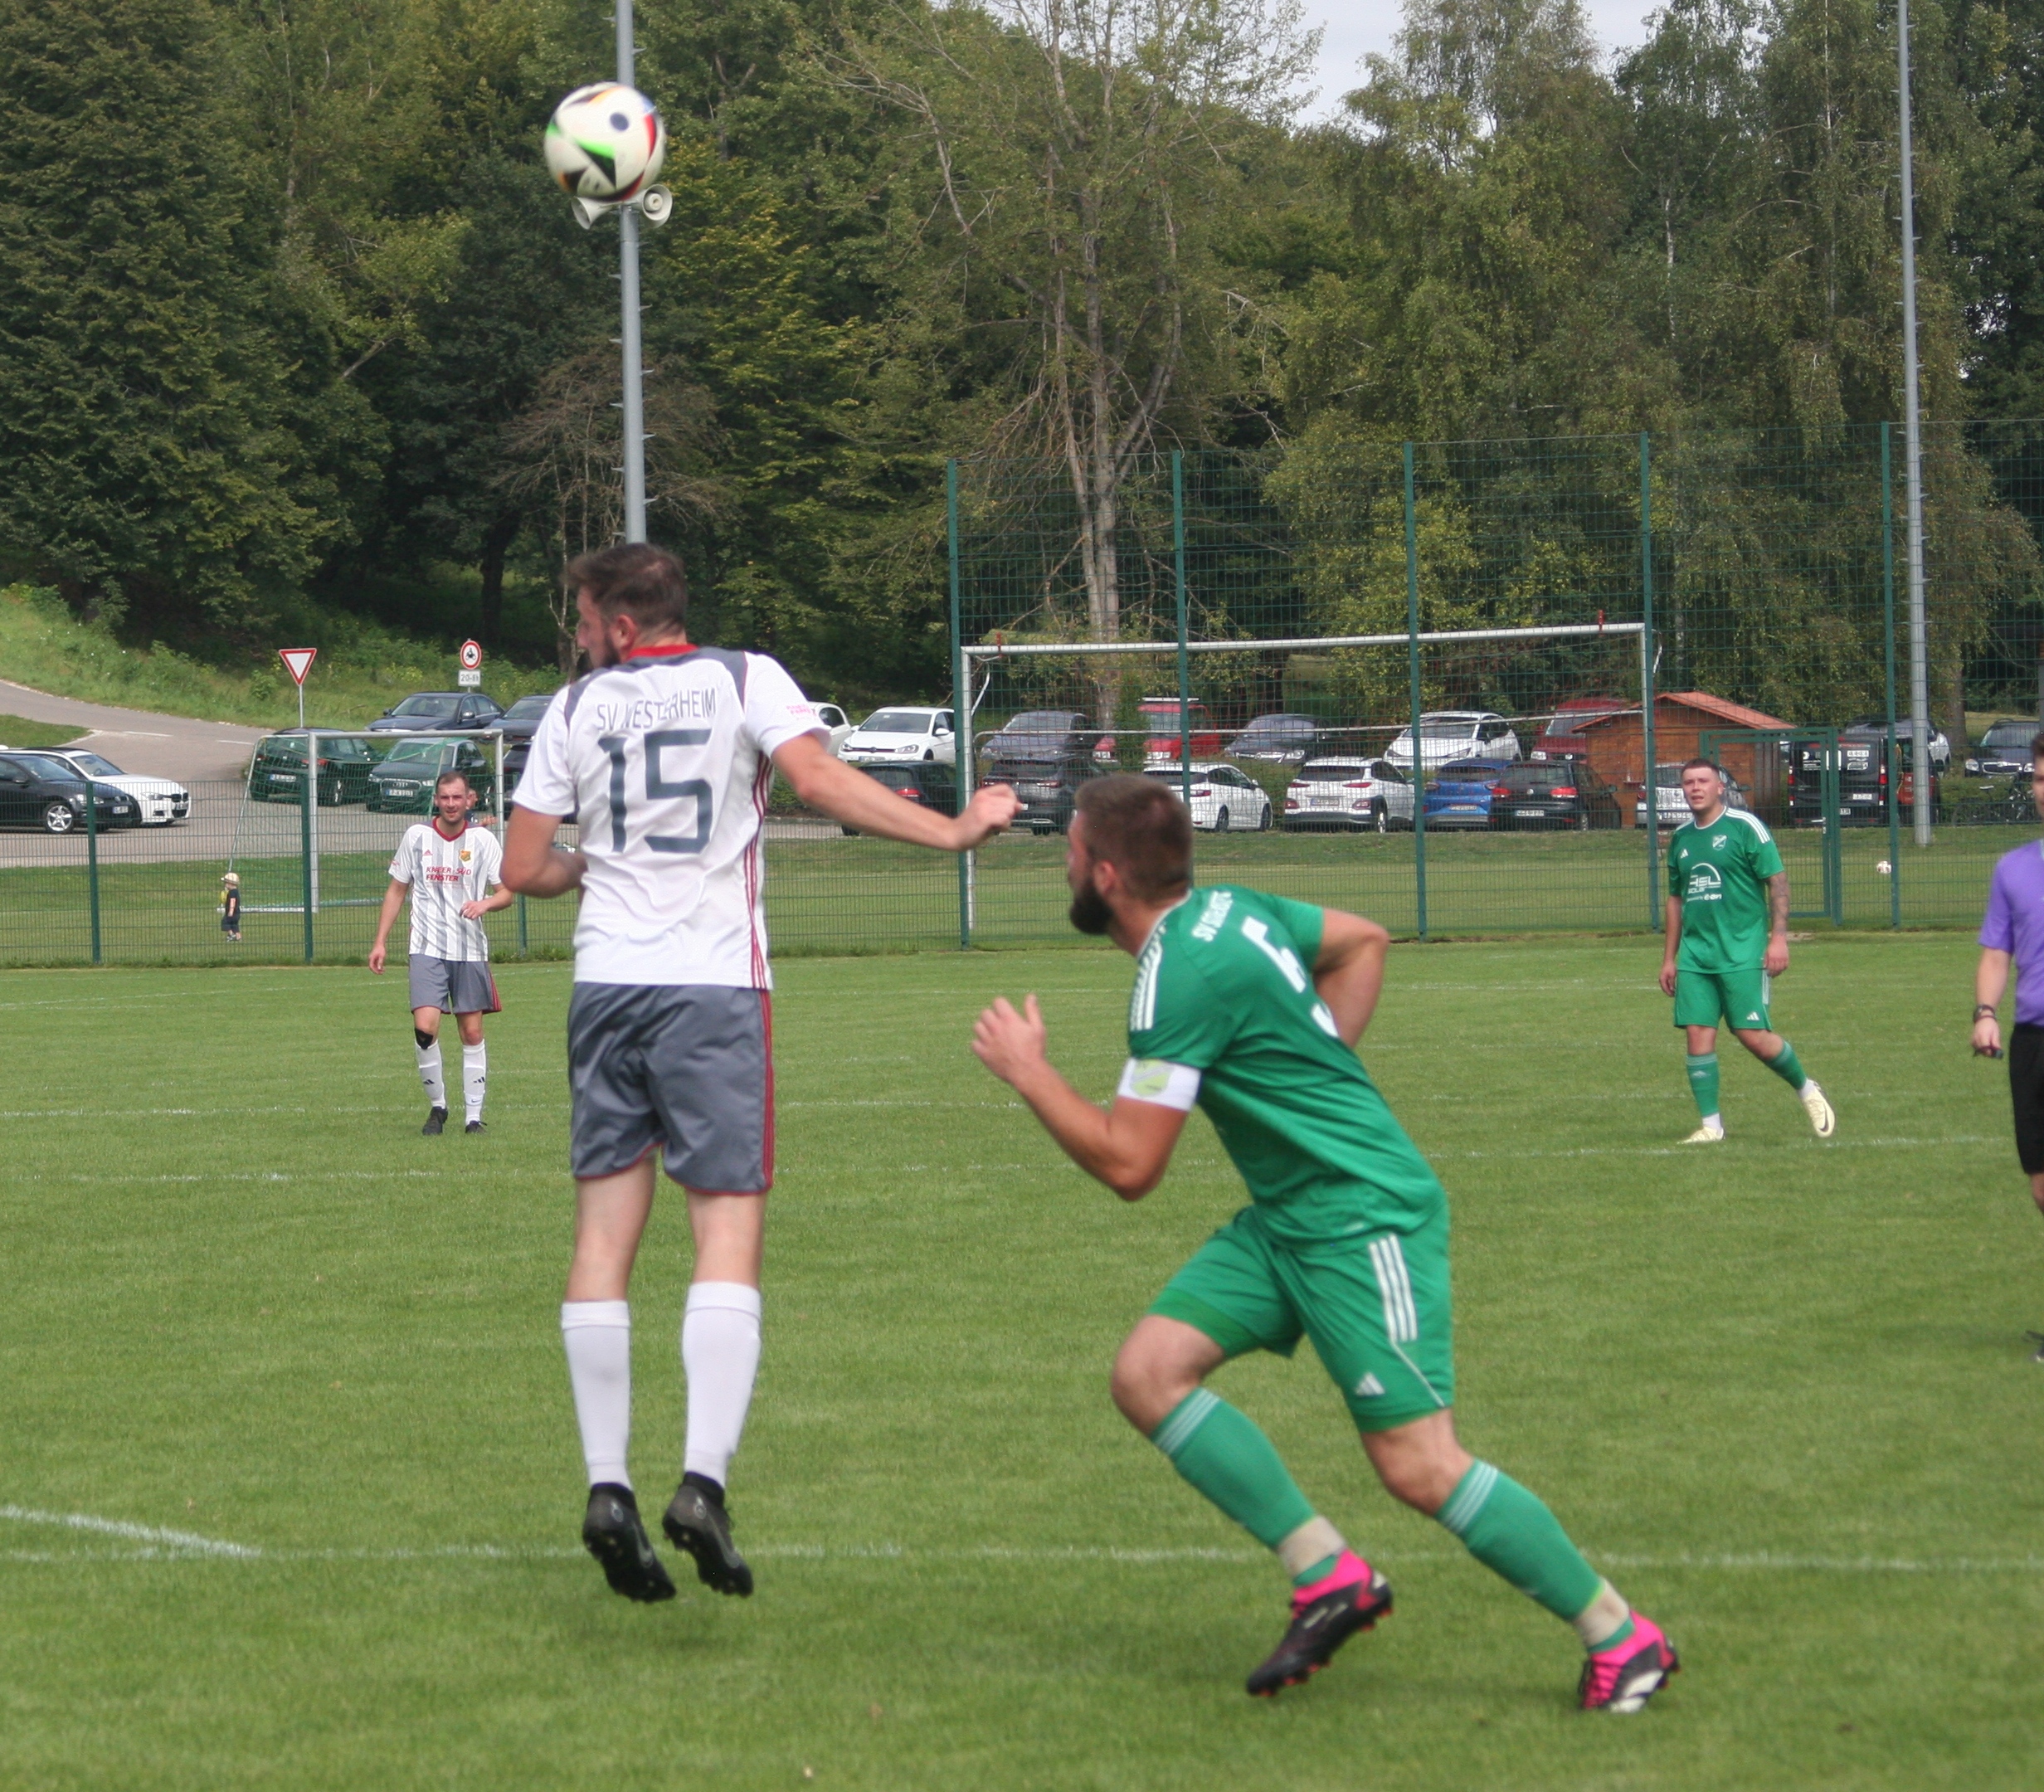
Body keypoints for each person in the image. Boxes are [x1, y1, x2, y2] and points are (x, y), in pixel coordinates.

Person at [969, 774, 1678, 1710]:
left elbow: (1130, 1165)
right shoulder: (1228, 909)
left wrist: (1030, 1072)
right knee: (1148, 1374)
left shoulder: (1175, 979)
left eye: (1067, 852)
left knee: (1419, 1465)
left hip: (1360, 1216)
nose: (1061, 866)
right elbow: (1361, 940)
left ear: (1103, 875)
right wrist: (1316, 1068)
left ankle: (1621, 1636)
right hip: (1288, 1216)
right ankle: (1327, 1574)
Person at [501, 542, 1018, 1607]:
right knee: (726, 1235)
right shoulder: (746, 677)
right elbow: (820, 781)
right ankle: (701, 1482)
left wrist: (588, 866)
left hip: (605, 988)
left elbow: (520, 869)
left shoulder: (573, 707)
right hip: (712, 991)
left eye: (585, 620)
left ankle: (606, 1487)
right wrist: (952, 832)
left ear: (623, 626)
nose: (580, 637)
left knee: (601, 1243)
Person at [1658, 757, 1834, 1144]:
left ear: (1720, 787)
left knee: (1752, 1035)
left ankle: (1806, 1088)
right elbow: (1675, 899)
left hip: (1742, 950)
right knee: (1697, 1034)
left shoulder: (1745, 827)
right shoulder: (1682, 838)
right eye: (1688, 782)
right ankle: (1711, 1126)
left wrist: (1778, 938)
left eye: (1703, 781)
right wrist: (1669, 959)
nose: (1695, 788)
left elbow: (1777, 881)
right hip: (1695, 955)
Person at [368, 770, 514, 1136]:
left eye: (457, 797)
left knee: (472, 1033)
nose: (451, 804)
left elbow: (507, 893)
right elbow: (397, 890)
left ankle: (473, 1118)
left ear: (469, 799)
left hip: (469, 949)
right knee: (425, 1027)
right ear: (436, 800)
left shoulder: (483, 841)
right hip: (426, 947)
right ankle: (438, 1108)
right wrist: (380, 941)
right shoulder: (417, 837)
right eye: (444, 797)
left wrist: (484, 904)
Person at [1969, 729, 2044, 1362]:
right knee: (2041, 1187)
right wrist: (1985, 1012)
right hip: (2033, 1041)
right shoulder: (2014, 868)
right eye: (2041, 780)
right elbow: (1998, 952)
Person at [219, 871, 241, 942]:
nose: (225, 885)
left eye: (225, 883)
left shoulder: (232, 892)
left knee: (225, 922)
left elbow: (233, 901)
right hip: (237, 913)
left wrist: (231, 911)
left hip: (232, 912)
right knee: (235, 925)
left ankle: (232, 935)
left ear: (230, 883)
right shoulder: (236, 891)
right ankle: (238, 937)